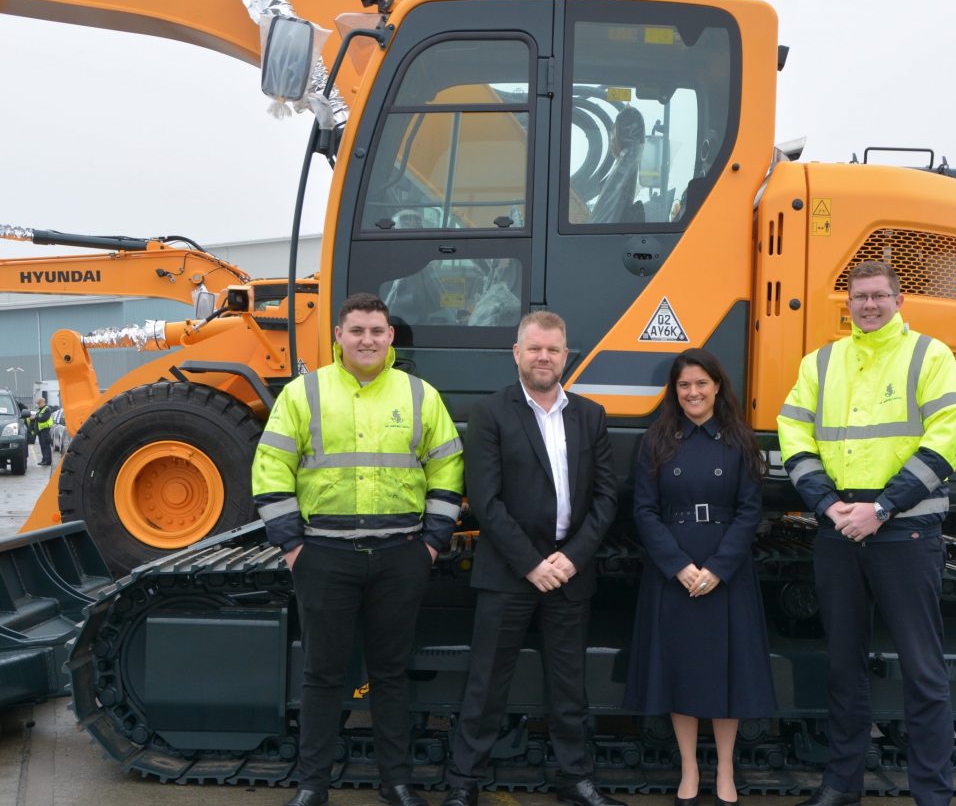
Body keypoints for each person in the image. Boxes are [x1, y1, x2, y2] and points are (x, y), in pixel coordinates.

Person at [252, 292, 464, 806]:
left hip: (401, 556)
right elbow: (270, 468)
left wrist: (431, 545)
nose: (366, 339)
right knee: (322, 674)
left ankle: (396, 783)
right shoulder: (303, 394)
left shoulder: (420, 395)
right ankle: (312, 786)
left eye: (376, 330)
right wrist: (293, 547)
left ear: (390, 337)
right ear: (338, 338)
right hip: (323, 555)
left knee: (391, 674)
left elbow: (447, 470)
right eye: (357, 331)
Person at [777, 260, 956, 806]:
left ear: (898, 300)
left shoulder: (930, 356)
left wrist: (880, 508)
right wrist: (828, 504)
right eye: (860, 297)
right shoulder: (822, 362)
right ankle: (842, 786)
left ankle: (932, 796)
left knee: (923, 672)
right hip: (839, 530)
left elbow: (947, 441)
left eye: (879, 295)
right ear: (849, 304)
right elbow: (794, 431)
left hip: (904, 532)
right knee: (844, 668)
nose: (869, 305)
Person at [442, 311, 622, 806]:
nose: (544, 357)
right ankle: (463, 784)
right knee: (486, 684)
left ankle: (576, 780)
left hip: (570, 572)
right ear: (517, 353)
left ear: (567, 355)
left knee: (569, 687)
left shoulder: (591, 415)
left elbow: (606, 498)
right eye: (535, 348)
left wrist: (572, 558)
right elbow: (484, 499)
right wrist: (532, 564)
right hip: (508, 572)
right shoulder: (491, 413)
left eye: (553, 349)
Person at [623, 349, 776, 806]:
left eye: (701, 384)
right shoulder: (656, 441)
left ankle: (725, 769)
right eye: (684, 385)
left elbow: (750, 511)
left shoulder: (740, 440)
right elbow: (644, 511)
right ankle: (689, 768)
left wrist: (718, 569)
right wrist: (679, 566)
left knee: (727, 673)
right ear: (674, 390)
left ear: (717, 387)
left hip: (725, 571)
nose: (693, 392)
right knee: (680, 672)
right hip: (675, 571)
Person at [590, 106, 645, 224]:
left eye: (613, 132)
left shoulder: (621, 171)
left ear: (621, 135)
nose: (611, 139)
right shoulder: (628, 165)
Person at [34, 397, 53, 465]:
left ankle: (48, 461)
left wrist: (35, 417)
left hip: (45, 430)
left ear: (43, 402)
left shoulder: (47, 409)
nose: (38, 405)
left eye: (39, 403)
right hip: (40, 431)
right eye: (38, 404)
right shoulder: (40, 410)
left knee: (46, 446)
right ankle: (44, 459)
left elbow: (43, 418)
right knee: (42, 446)